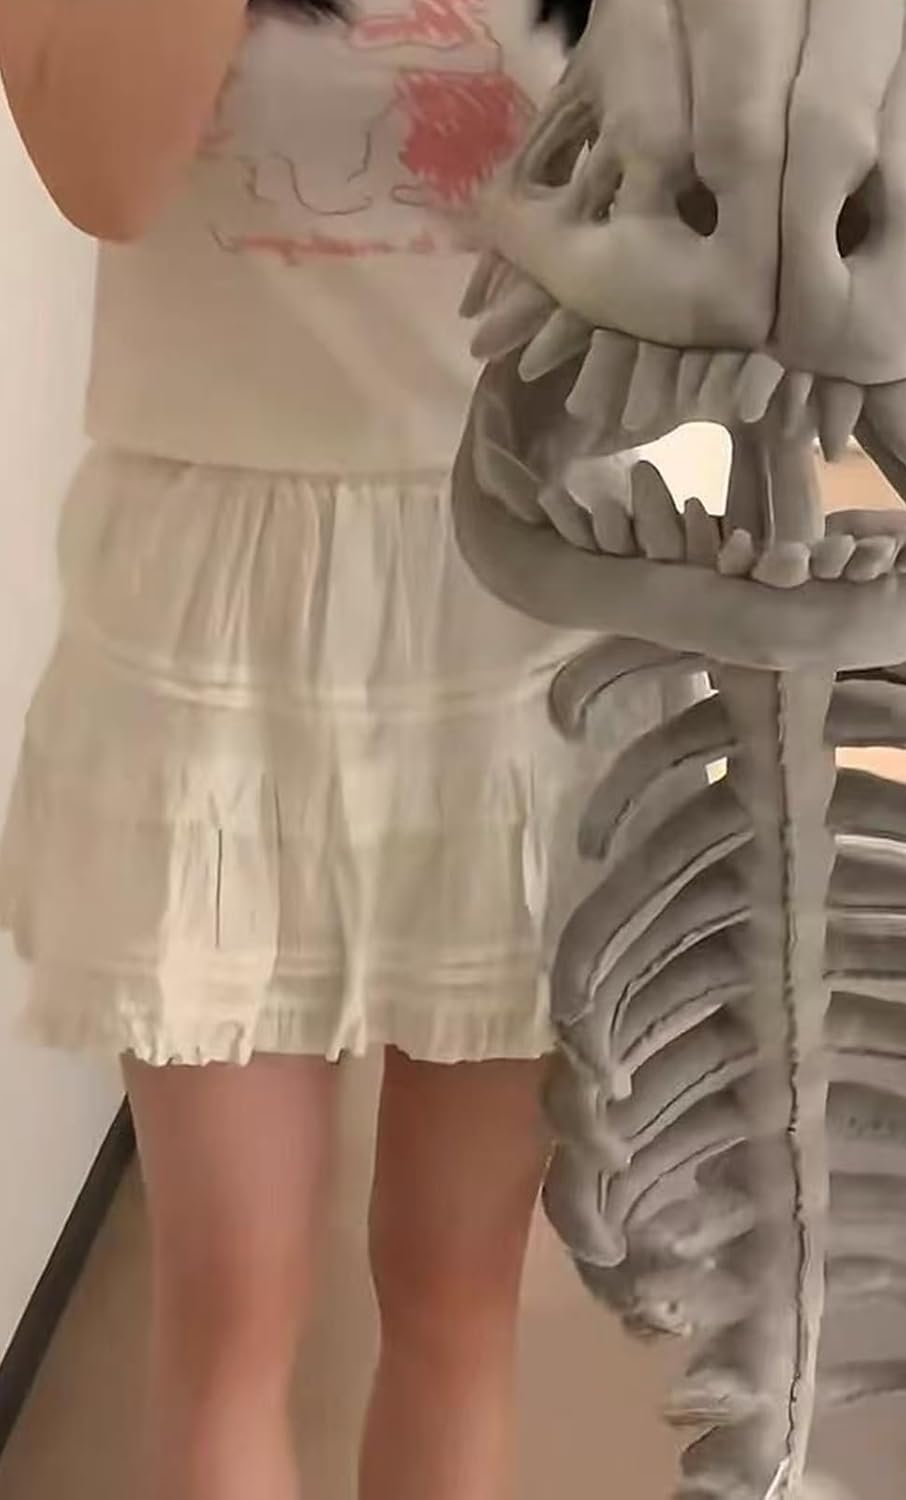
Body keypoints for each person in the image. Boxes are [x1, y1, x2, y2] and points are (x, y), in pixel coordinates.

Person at [0, 4, 602, 1497]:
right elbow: (105, 174)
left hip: (521, 595)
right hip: (212, 608)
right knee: (228, 1303)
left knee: (457, 1295)